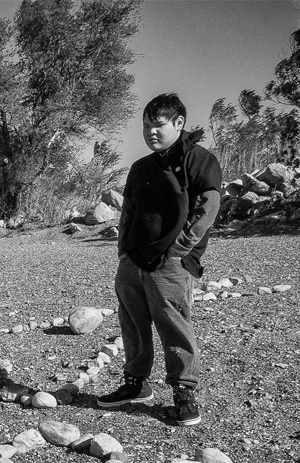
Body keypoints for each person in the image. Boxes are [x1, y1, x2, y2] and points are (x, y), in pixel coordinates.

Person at [97, 93, 223, 426]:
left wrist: (180, 251)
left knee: (174, 325)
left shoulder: (199, 160)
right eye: (146, 125)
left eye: (159, 124)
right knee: (132, 323)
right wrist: (123, 250)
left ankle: (183, 394)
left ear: (179, 123)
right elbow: (130, 212)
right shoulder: (140, 168)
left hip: (172, 261)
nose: (151, 131)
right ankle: (135, 384)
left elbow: (207, 208)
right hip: (133, 260)